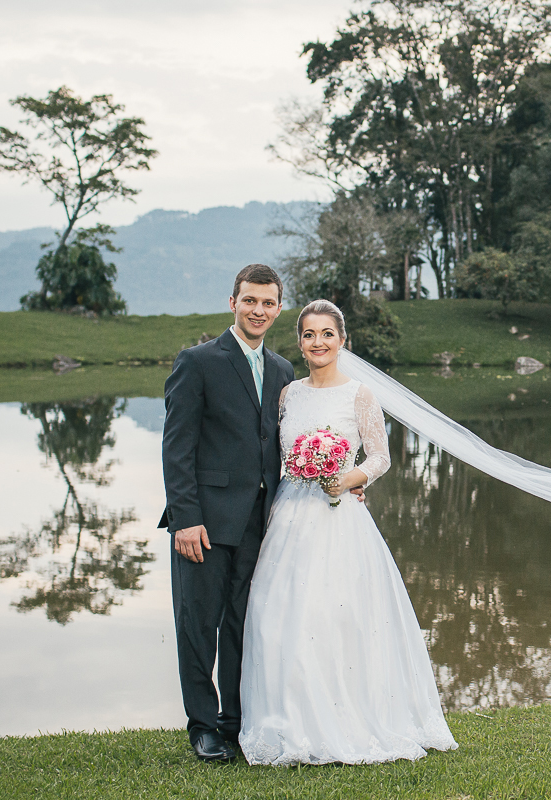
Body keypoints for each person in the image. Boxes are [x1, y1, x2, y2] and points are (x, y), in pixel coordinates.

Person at [238, 299, 457, 765]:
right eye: (309, 335)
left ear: (342, 341)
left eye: (327, 334)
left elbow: (380, 457)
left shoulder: (359, 395)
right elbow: (276, 456)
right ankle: (288, 721)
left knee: (338, 615)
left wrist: (349, 479)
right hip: (289, 514)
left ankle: (348, 719)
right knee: (279, 614)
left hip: (339, 517)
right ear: (299, 342)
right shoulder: (287, 395)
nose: (318, 343)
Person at [159, 264, 295, 763]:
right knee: (198, 623)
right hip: (206, 522)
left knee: (243, 623)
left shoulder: (282, 370)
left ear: (279, 308)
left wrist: (341, 482)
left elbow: (284, 446)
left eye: (268, 302)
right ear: (232, 302)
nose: (258, 310)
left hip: (261, 522)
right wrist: (184, 517)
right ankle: (202, 726)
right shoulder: (197, 362)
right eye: (249, 300)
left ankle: (234, 721)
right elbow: (178, 448)